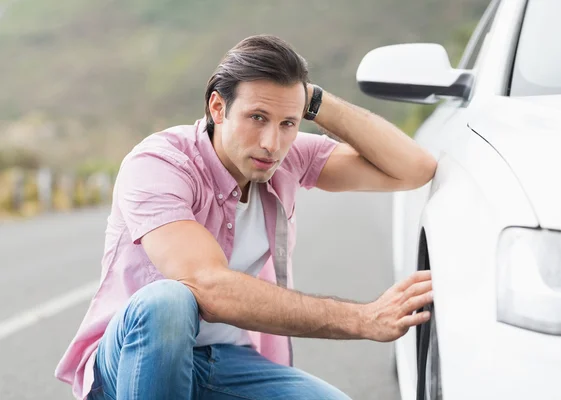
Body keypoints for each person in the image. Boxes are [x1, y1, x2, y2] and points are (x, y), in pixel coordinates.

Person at [55, 34, 437, 400]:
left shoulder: (286, 158)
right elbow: (208, 284)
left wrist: (316, 101)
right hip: (132, 364)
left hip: (227, 360)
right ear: (217, 108)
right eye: (257, 117)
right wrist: (362, 319)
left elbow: (414, 168)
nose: (272, 143)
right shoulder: (159, 163)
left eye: (288, 123)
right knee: (169, 302)